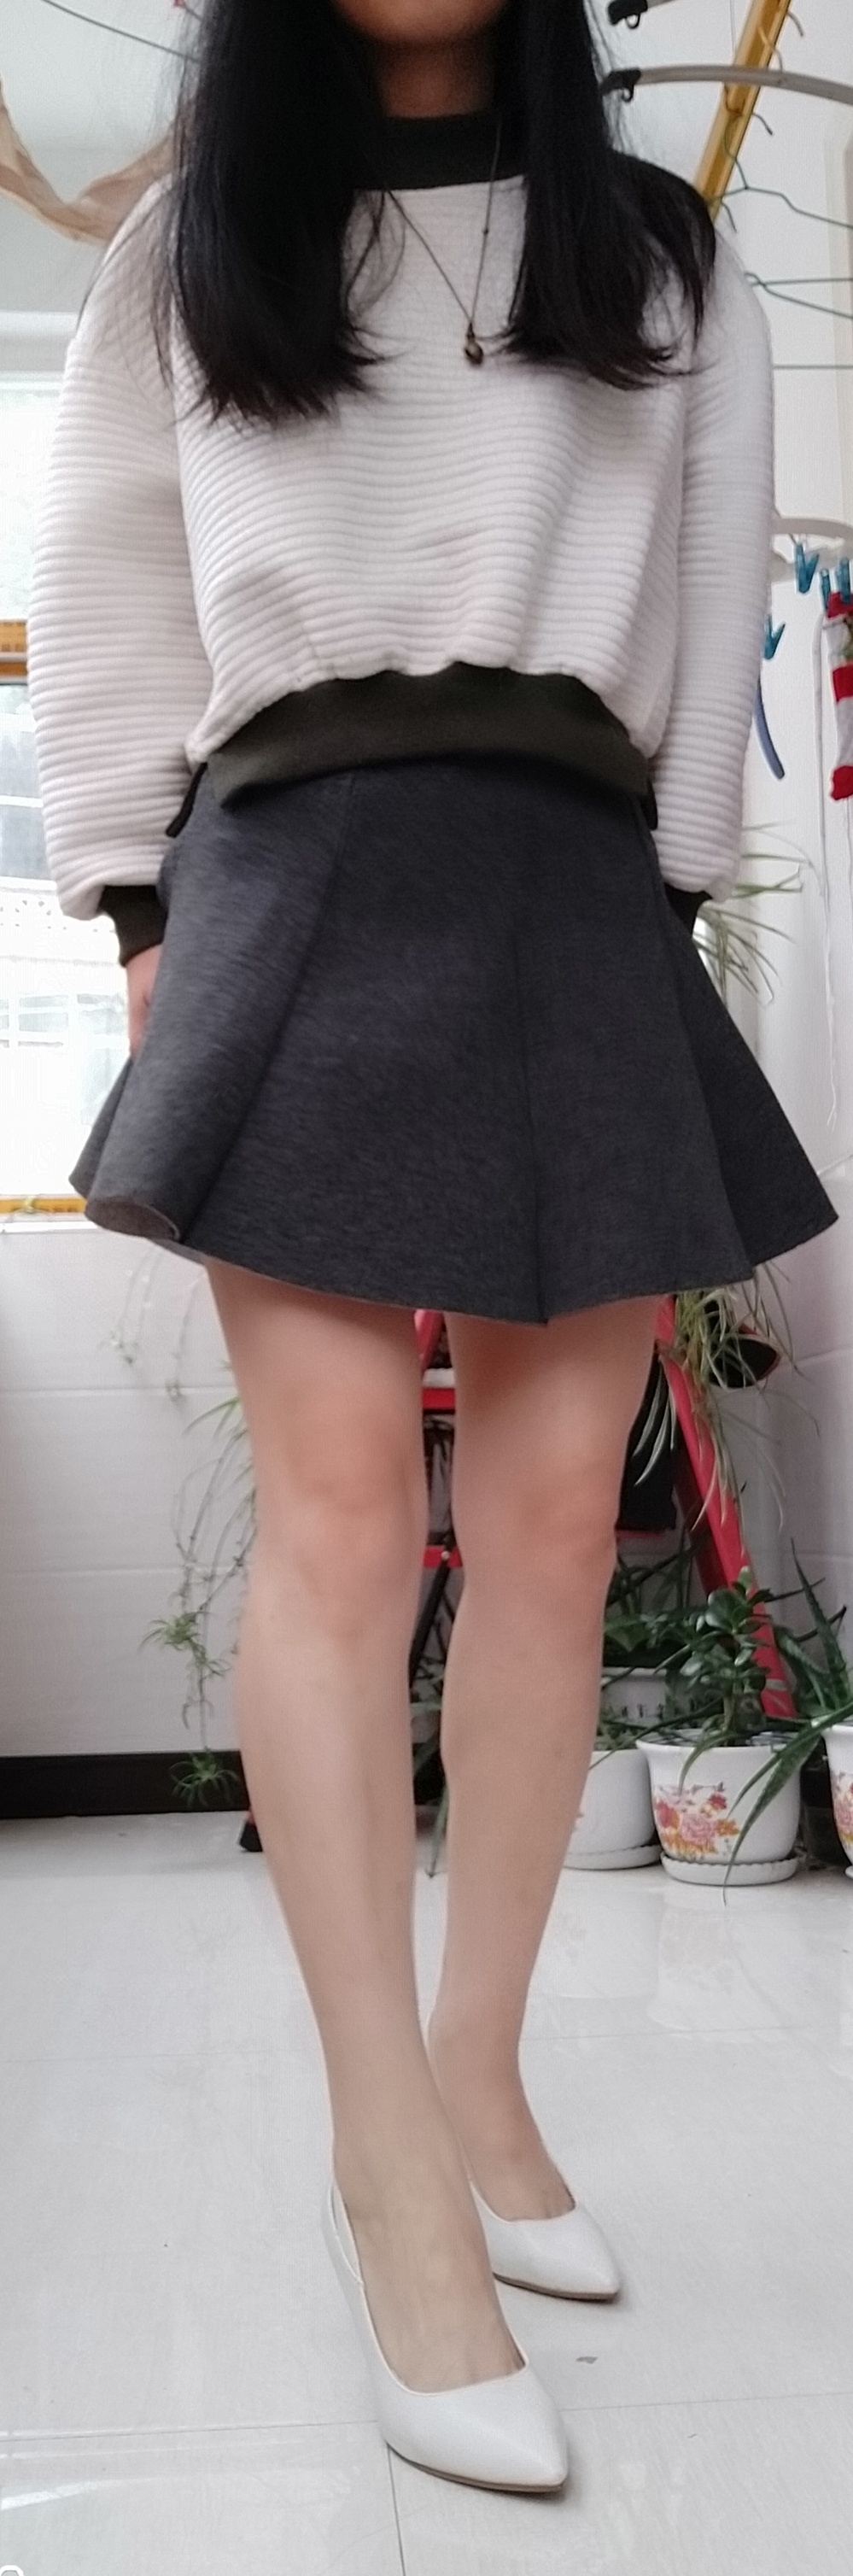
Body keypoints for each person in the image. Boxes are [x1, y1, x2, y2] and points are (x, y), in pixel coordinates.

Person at [28, 0, 836, 2500]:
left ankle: (480, 2077)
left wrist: (658, 920)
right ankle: (390, 2162)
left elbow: (704, 604)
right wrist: (143, 919)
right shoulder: (193, 246)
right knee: (348, 1520)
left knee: (562, 1529)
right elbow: (110, 585)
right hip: (285, 865)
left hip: (573, 878)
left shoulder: (665, 257)